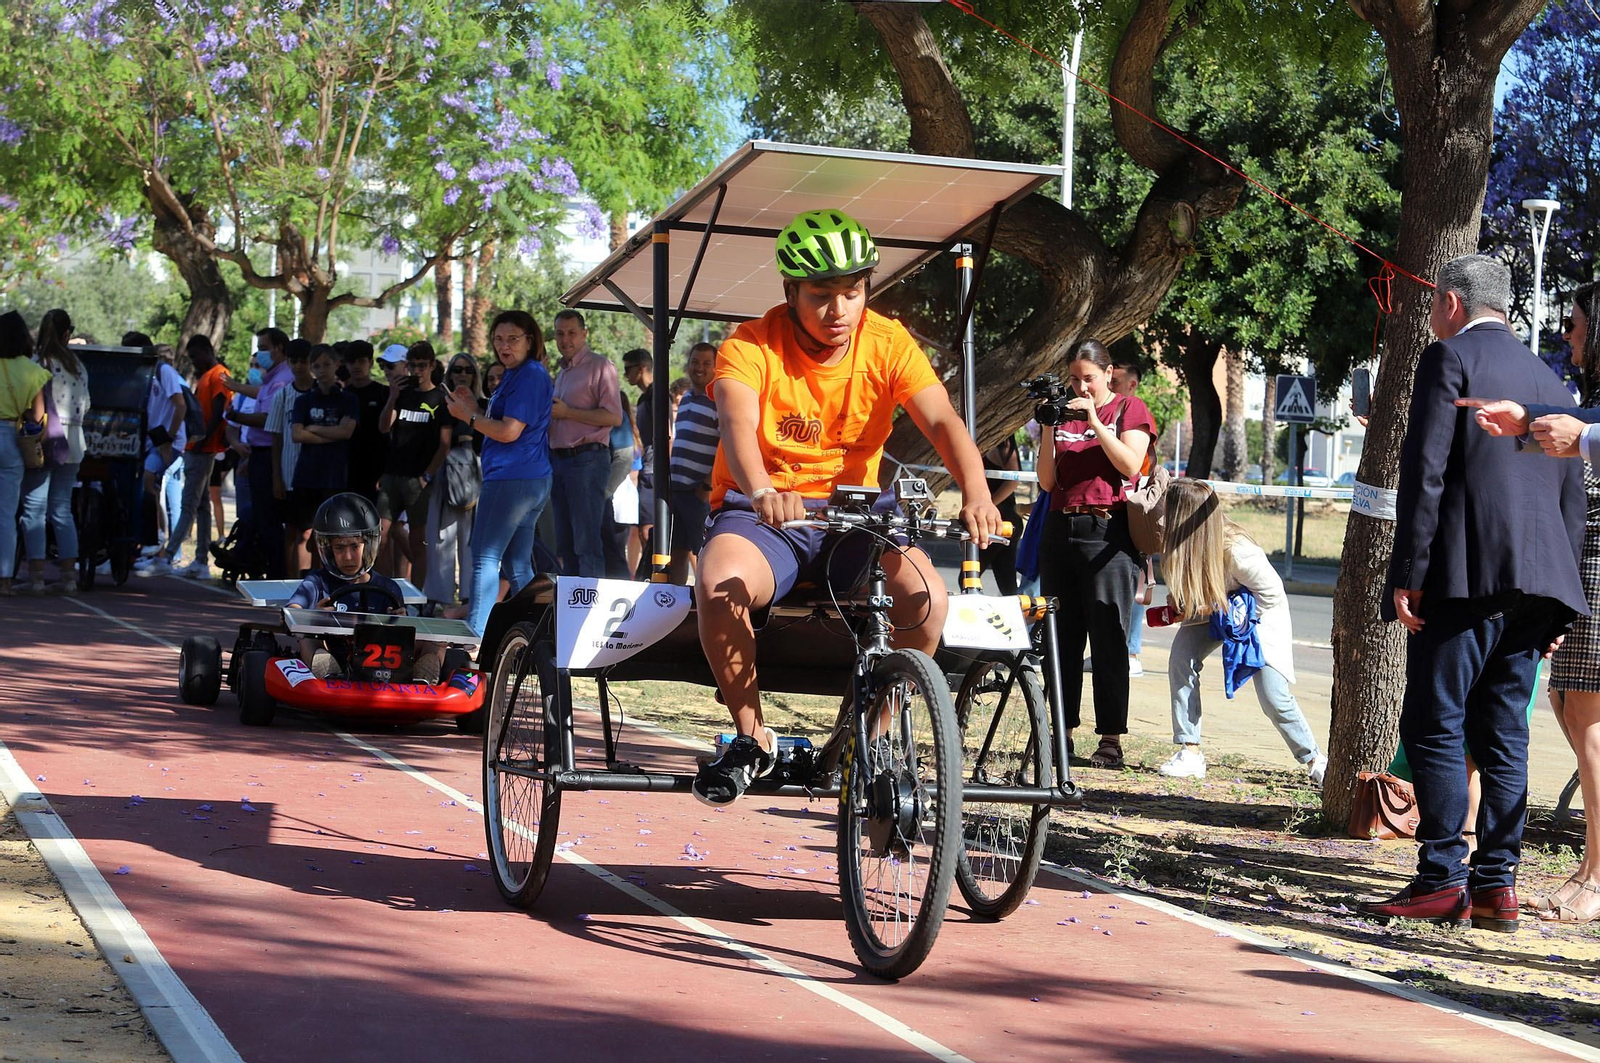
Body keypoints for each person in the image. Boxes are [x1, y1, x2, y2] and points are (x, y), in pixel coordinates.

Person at [691, 208, 1002, 806]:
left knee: (927, 596)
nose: (839, 310)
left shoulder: (887, 342)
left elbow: (942, 420)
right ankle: (751, 738)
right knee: (719, 580)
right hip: (767, 515)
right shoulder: (749, 344)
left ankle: (864, 744)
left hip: (856, 518)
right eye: (821, 294)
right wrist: (760, 488)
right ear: (790, 292)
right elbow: (736, 422)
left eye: (852, 293)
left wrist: (978, 493)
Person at [1359, 254, 1585, 932]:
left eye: (1435, 303)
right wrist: (1562, 599)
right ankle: (1496, 884)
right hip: (1539, 583)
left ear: (1453, 304)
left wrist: (1409, 573)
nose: (1432, 314)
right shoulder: (1551, 378)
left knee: (1433, 719)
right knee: (1504, 731)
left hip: (1463, 575)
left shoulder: (1448, 358)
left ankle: (1440, 875)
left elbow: (1425, 469)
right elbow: (1572, 494)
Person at [1459, 281, 1600, 924]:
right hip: (1584, 566)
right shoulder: (1585, 395)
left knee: (1590, 718)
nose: (1568, 335)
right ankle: (1591, 864)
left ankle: (1596, 875)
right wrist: (1528, 425)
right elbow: (1573, 433)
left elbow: (1583, 441)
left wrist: (1579, 437)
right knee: (1573, 709)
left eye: (1575, 324)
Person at [1153, 479, 1327, 784]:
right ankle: (1190, 752)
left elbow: (1272, 595)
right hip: (1213, 609)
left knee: (1273, 694)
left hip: (1259, 614)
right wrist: (1183, 604)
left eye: (1167, 510)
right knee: (1181, 659)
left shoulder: (1238, 550)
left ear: (1185, 517)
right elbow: (1193, 592)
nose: (1161, 517)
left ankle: (1315, 760)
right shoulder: (1180, 543)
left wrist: (1228, 613)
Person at [1034, 339, 1156, 769]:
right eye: (1074, 379)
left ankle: (1110, 740)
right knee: (1061, 638)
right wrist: (1050, 425)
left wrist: (1094, 422)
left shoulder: (1128, 409)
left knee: (1108, 636)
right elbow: (1047, 482)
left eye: (1089, 378)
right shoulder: (1065, 412)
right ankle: (1060, 733)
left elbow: (1130, 465)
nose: (1081, 387)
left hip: (1108, 532)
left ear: (1108, 374)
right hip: (1060, 527)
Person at [446, 311, 553, 635]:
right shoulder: (519, 373)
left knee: (484, 558)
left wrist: (468, 417)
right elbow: (502, 425)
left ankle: (474, 638)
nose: (504, 346)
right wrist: (475, 409)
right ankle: (534, 635)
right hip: (525, 479)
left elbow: (508, 432)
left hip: (512, 478)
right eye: (498, 339)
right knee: (517, 564)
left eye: (512, 339)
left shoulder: (529, 375)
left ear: (530, 340)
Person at [286, 493, 442, 683]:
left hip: (383, 663)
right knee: (306, 638)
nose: (349, 556)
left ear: (368, 546)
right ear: (328, 550)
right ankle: (327, 674)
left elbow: (403, 635)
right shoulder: (317, 583)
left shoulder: (388, 587)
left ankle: (421, 682)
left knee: (437, 642)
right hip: (335, 654)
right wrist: (315, 617)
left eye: (354, 547)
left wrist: (401, 621)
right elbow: (291, 612)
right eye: (339, 548)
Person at [20, 310, 89, 591]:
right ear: (66, 334)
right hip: (73, 441)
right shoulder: (78, 366)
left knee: (33, 509)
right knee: (62, 509)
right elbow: (87, 406)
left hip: (44, 441)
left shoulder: (37, 364)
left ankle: (36, 576)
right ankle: (68, 577)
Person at [549, 309, 623, 577]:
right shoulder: (563, 372)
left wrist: (568, 413)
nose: (565, 339)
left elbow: (614, 416)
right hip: (559, 460)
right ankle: (572, 606)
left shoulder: (600, 366)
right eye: (560, 333)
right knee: (566, 543)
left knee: (586, 544)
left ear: (584, 334)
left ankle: (590, 606)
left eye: (571, 333)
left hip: (587, 460)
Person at [155, 335, 231, 578]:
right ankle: (200, 559)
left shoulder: (219, 374)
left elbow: (219, 412)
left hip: (202, 448)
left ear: (207, 351)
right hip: (199, 446)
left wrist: (203, 441)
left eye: (196, 357)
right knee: (200, 506)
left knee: (188, 504)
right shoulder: (206, 376)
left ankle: (168, 555)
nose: (194, 363)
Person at [377, 342, 450, 584]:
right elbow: (384, 427)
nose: (417, 371)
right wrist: (392, 397)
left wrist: (427, 475)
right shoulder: (403, 393)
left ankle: (419, 600)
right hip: (392, 474)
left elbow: (444, 444)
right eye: (413, 366)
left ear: (431, 366)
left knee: (418, 542)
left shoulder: (441, 398)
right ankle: (383, 592)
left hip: (418, 479)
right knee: (380, 536)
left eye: (422, 366)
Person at [288, 345, 359, 573]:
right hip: (307, 475)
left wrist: (315, 428)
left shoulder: (348, 399)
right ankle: (304, 582)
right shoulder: (304, 401)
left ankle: (326, 582)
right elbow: (297, 434)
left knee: (328, 534)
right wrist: (332, 434)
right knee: (305, 533)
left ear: (336, 365)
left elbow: (346, 433)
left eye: (327, 364)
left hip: (334, 476)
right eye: (316, 366)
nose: (322, 370)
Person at [228, 327, 292, 577]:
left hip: (270, 455)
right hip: (260, 453)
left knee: (270, 522)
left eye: (265, 348)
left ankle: (276, 577)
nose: (261, 353)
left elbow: (270, 420)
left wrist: (239, 416)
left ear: (279, 348)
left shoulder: (282, 379)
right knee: (261, 519)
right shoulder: (271, 377)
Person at [426, 353, 482, 612]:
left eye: (468, 370)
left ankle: (472, 599)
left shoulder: (483, 403)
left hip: (476, 472)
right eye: (457, 369)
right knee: (441, 537)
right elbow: (440, 443)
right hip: (444, 471)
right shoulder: (441, 403)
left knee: (473, 539)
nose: (462, 374)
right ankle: (440, 599)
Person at [0, 311, 51, 597]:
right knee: (6, 515)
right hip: (13, 440)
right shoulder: (34, 372)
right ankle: (5, 579)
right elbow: (37, 416)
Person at [667, 342, 720, 584]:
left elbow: (726, 446)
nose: (699, 368)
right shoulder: (686, 398)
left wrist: (707, 486)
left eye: (706, 364)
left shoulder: (719, 399)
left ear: (716, 367)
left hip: (699, 493)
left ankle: (706, 606)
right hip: (677, 490)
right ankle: (675, 605)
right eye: (695, 362)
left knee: (705, 553)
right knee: (676, 551)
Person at [263, 341, 315, 576]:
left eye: (303, 361)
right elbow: (276, 438)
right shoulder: (282, 395)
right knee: (293, 531)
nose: (298, 366)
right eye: (293, 361)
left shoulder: (322, 393)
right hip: (289, 472)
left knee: (311, 532)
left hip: (317, 474)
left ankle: (311, 583)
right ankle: (292, 581)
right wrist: (276, 476)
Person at [622, 348, 657, 575]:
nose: (626, 375)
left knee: (648, 529)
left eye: (628, 369)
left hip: (655, 472)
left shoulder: (657, 394)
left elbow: (668, 434)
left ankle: (654, 575)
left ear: (641, 368)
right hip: (647, 469)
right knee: (643, 528)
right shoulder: (645, 396)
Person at [342, 340, 388, 503]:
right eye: (351, 361)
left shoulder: (384, 393)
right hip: (347, 470)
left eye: (361, 361)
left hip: (377, 468)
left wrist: (386, 471)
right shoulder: (342, 395)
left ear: (370, 363)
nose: (356, 366)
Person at [979, 433, 1022, 595]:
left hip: (1001, 519)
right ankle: (1015, 618)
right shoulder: (982, 442)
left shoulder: (1003, 443)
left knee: (968, 576)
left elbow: (1014, 479)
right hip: (1000, 518)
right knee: (1007, 584)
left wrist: (988, 504)